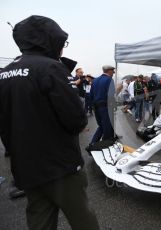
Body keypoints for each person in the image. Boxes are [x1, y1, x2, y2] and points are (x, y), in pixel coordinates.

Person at [0, 15, 99, 230]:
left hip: (25, 167)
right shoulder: (51, 68)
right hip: (59, 166)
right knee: (83, 217)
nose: (62, 48)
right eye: (61, 42)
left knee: (39, 219)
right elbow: (76, 120)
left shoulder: (4, 73)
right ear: (49, 40)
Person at [88, 65, 116, 147]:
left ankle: (92, 144)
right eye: (112, 71)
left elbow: (91, 95)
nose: (113, 73)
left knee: (101, 126)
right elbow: (111, 95)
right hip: (105, 107)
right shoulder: (109, 79)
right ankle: (104, 146)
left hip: (96, 107)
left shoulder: (95, 80)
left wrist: (92, 107)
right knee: (107, 127)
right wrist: (114, 106)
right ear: (108, 71)